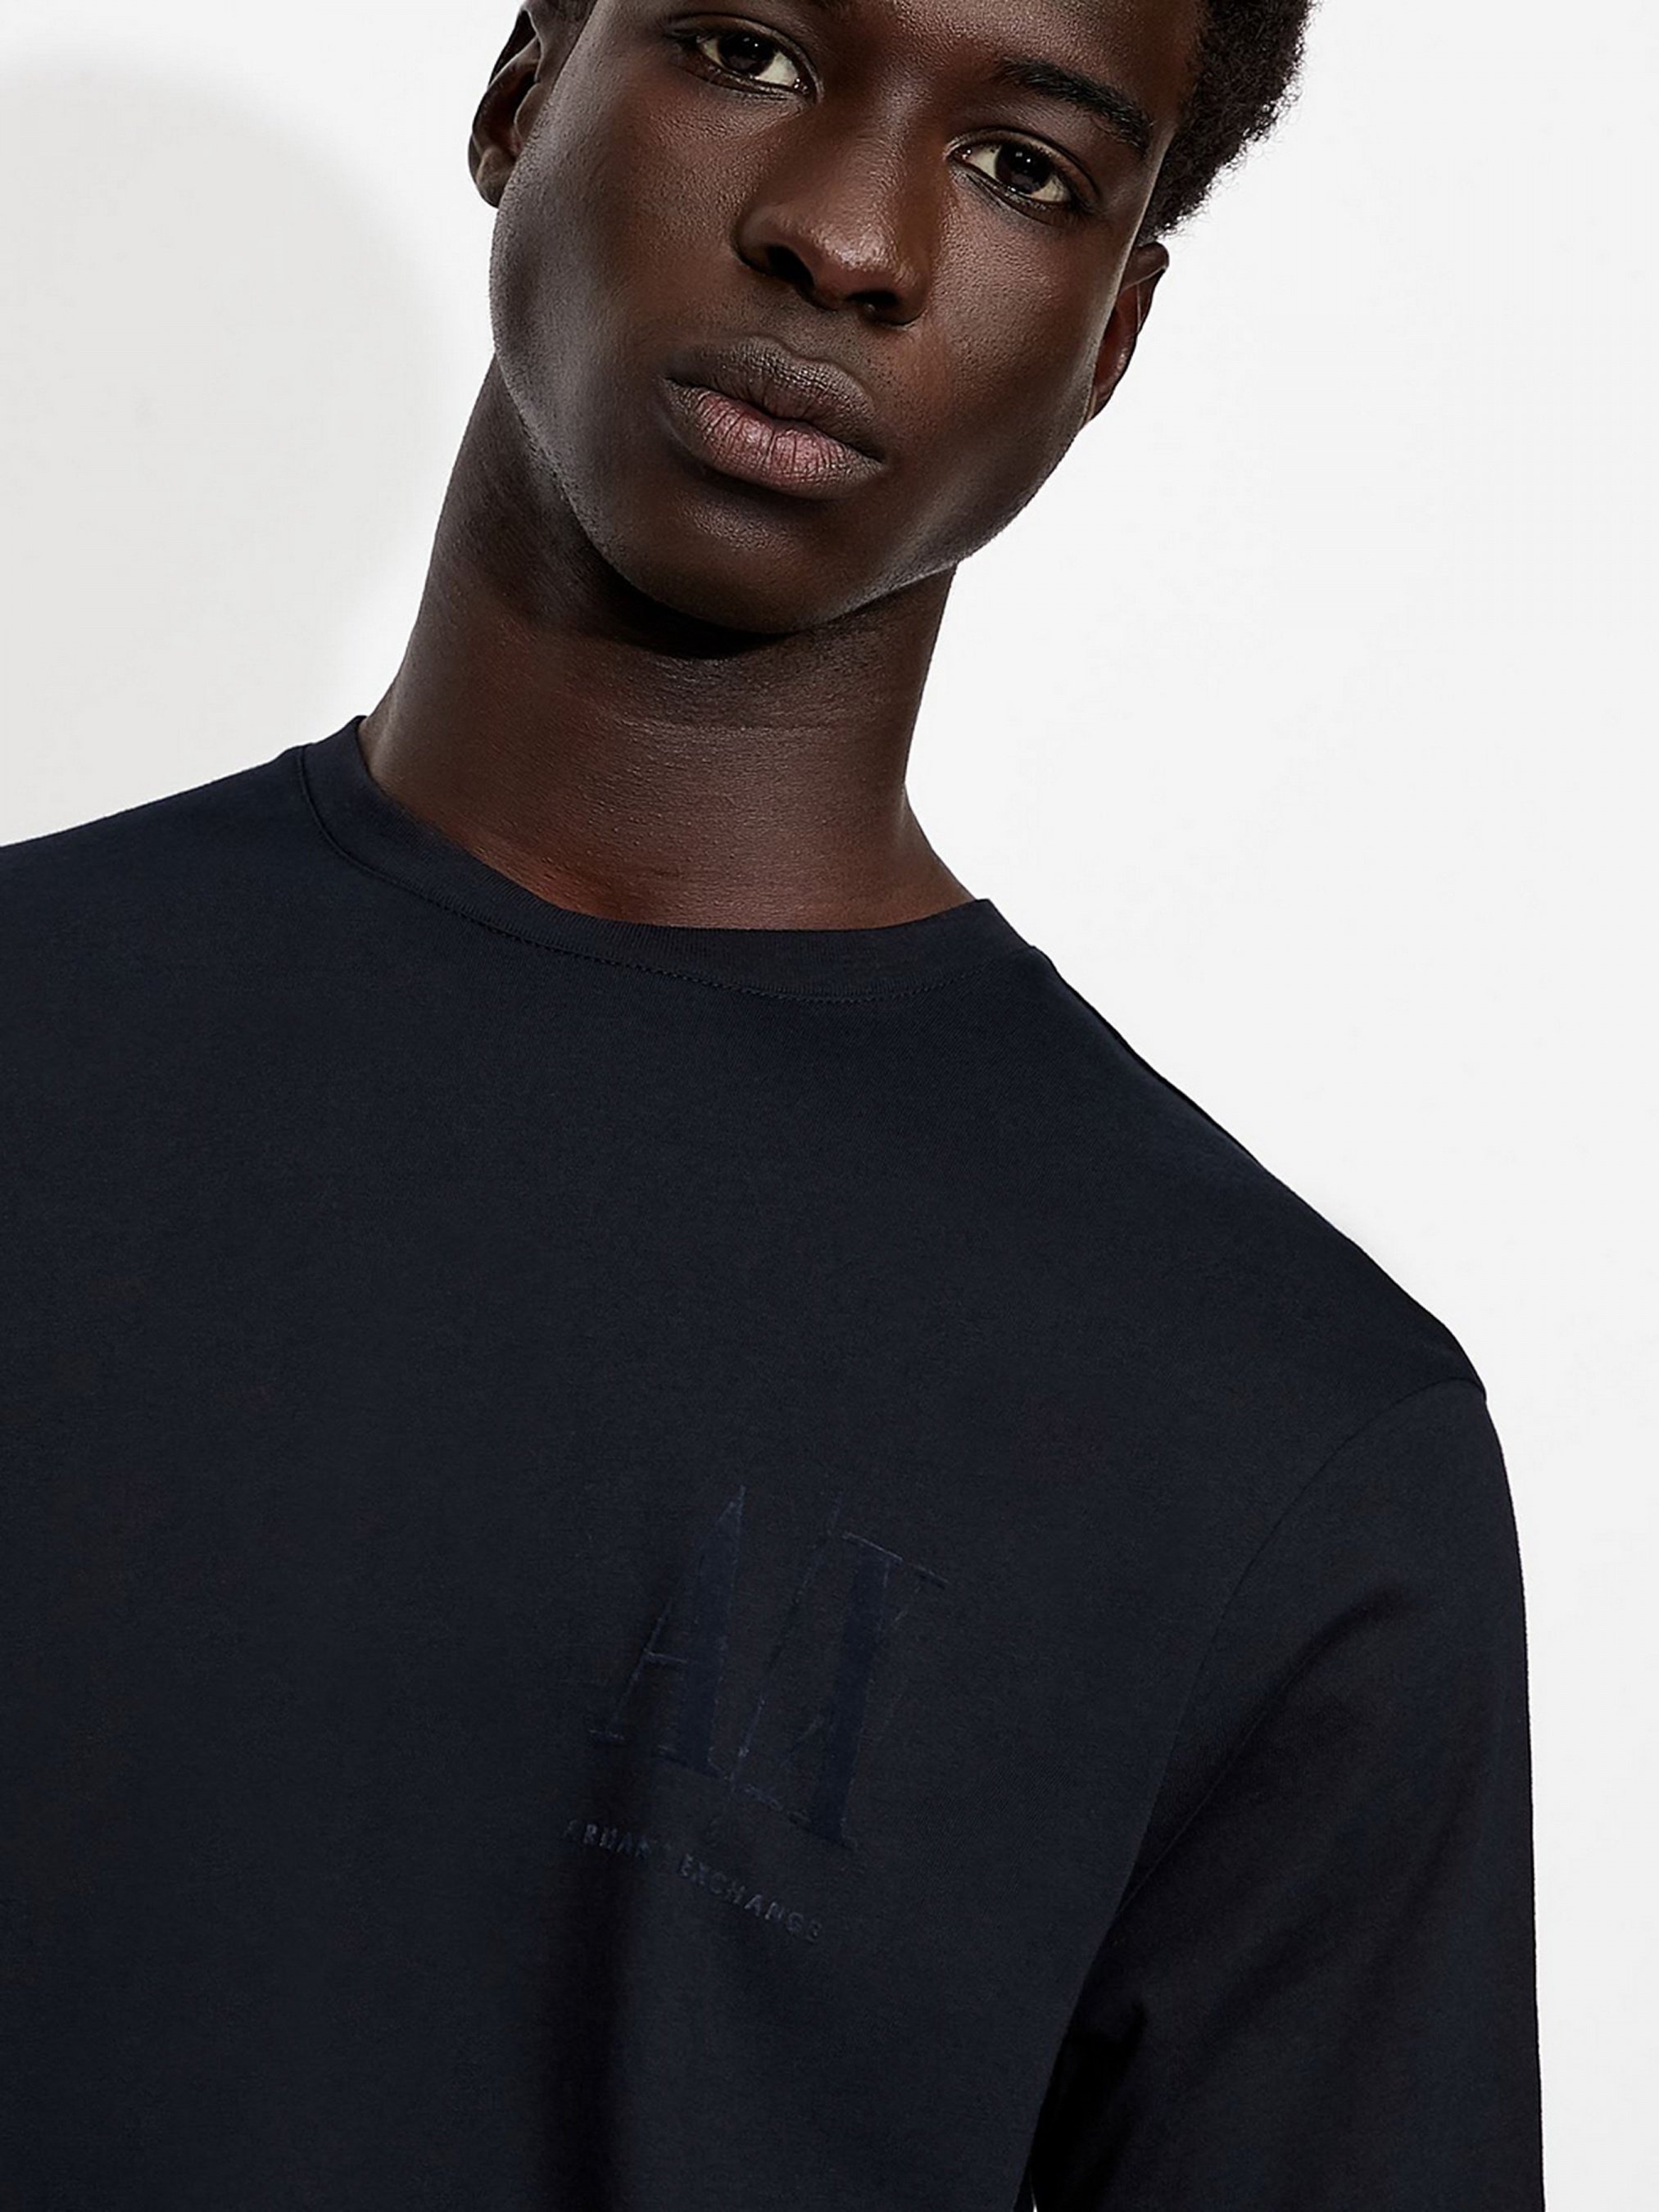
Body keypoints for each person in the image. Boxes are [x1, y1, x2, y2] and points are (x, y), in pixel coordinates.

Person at [0, 1, 1545, 2205]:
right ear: (523, 89)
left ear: (1112, 332)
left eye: (1023, 169)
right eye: (749, 50)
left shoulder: (1285, 1445)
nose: (848, 238)